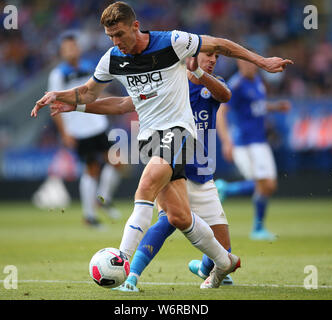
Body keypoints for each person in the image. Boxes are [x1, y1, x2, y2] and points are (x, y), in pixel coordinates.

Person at [31, 1, 292, 288]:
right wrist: (62, 98)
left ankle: (122, 259)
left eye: (119, 34)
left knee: (144, 186)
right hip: (149, 139)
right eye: (110, 37)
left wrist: (262, 61)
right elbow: (89, 93)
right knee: (178, 216)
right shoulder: (113, 59)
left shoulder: (172, 42)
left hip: (179, 132)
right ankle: (224, 261)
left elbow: (220, 44)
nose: (116, 42)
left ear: (135, 26)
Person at [46, 52, 235, 291]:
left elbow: (225, 95)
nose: (213, 59)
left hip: (203, 171)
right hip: (172, 161)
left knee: (222, 245)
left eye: (216, 55)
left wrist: (198, 72)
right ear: (190, 56)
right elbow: (124, 104)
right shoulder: (170, 83)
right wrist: (77, 105)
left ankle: (210, 267)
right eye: (208, 54)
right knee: (167, 221)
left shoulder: (214, 84)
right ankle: (131, 274)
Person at [33, 31, 122, 227]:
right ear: (62, 52)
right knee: (91, 169)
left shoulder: (89, 66)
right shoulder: (58, 75)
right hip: (79, 130)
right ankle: (89, 216)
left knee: (117, 162)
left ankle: (103, 200)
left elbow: (95, 91)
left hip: (98, 123)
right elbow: (53, 105)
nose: (72, 50)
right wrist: (65, 133)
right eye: (67, 48)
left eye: (74, 46)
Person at [215, 59, 291, 241]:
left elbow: (256, 106)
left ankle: (229, 191)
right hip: (245, 143)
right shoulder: (236, 84)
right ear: (239, 65)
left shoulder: (257, 81)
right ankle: (255, 225)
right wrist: (226, 141)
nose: (249, 66)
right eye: (245, 63)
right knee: (262, 184)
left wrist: (275, 107)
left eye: (251, 63)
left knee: (269, 185)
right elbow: (221, 112)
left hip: (260, 141)